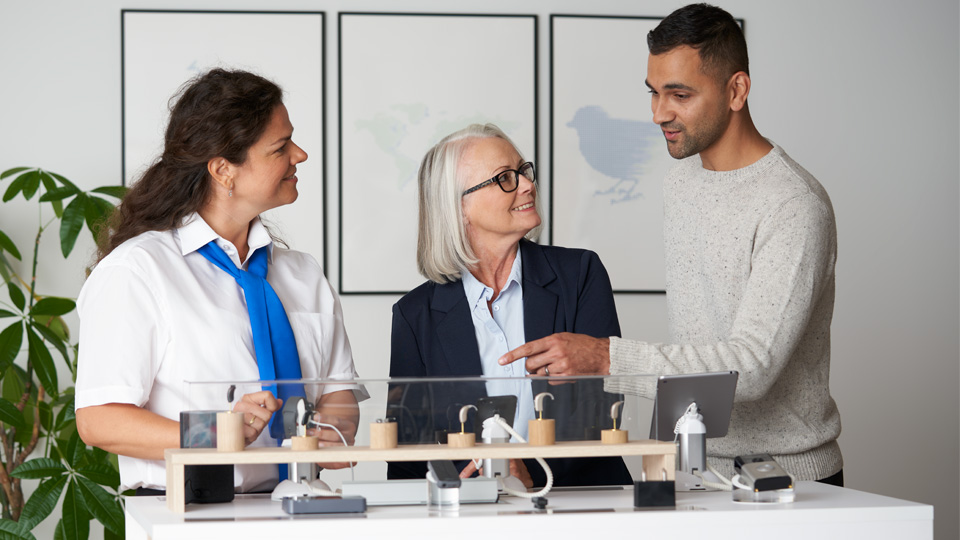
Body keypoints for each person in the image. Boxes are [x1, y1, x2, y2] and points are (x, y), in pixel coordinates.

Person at [499, 3, 843, 485]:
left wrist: (607, 358)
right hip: (695, 470)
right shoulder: (680, 183)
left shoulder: (794, 205)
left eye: (679, 94)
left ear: (736, 90)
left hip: (790, 482)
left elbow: (754, 365)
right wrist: (671, 457)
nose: (659, 112)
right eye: (654, 93)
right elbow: (699, 338)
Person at [75, 69, 366, 494]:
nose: (300, 155)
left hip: (303, 505)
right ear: (223, 170)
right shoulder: (137, 271)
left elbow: (339, 392)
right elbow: (98, 420)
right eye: (280, 147)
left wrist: (331, 428)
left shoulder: (304, 274)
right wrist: (214, 433)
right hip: (190, 512)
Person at [389, 124, 631, 487]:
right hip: (471, 512)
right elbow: (408, 453)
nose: (527, 185)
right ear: (460, 207)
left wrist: (529, 473)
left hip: (584, 501)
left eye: (523, 171)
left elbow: (603, 407)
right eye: (504, 178)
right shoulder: (414, 314)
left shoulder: (580, 274)